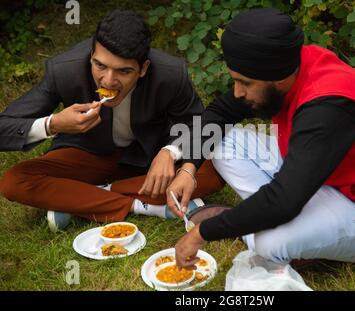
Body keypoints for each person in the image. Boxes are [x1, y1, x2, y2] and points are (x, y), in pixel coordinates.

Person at [167, 8, 355, 269]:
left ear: (276, 78)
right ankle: (263, 221)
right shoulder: (289, 63)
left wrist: (202, 233)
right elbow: (222, 111)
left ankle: (269, 228)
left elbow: (284, 201)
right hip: (324, 179)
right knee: (222, 141)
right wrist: (188, 167)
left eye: (244, 82)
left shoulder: (327, 106)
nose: (237, 91)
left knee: (270, 243)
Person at [0, 10, 224, 232]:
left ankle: (79, 197)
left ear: (143, 68)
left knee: (212, 171)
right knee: (14, 181)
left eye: (124, 71)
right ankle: (144, 205)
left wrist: (170, 151)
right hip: (88, 153)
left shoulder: (171, 74)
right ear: (91, 56)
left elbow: (201, 125)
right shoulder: (63, 70)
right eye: (100, 66)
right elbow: (4, 127)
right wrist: (53, 124)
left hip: (149, 158)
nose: (108, 80)